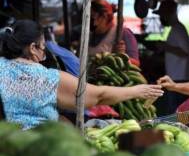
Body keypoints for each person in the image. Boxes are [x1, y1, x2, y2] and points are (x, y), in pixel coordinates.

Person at [0, 20, 163, 130]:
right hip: (37, 151)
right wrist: (136, 91)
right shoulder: (45, 77)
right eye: (43, 48)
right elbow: (98, 96)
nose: (44, 55)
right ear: (32, 48)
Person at [153, 0, 189, 114]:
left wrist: (165, 46)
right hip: (176, 77)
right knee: (176, 112)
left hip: (179, 78)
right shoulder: (175, 29)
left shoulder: (178, 29)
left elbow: (184, 52)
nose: (161, 18)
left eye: (162, 14)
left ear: (168, 13)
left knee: (177, 112)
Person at [89, 0, 140, 66]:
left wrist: (121, 57)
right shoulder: (89, 35)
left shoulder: (123, 33)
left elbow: (136, 63)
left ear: (104, 16)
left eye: (92, 17)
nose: (89, 21)